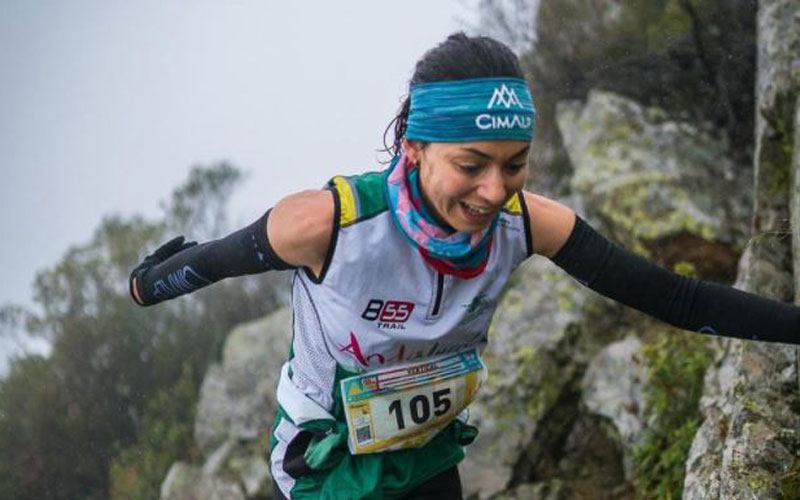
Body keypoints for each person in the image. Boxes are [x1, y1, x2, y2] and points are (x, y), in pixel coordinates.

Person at [129, 33, 799, 500]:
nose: (493, 190)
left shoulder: (528, 221)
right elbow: (211, 262)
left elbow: (675, 300)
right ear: (417, 147)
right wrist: (144, 284)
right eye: (471, 165)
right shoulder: (329, 224)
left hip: (426, 452)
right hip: (328, 464)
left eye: (514, 163)